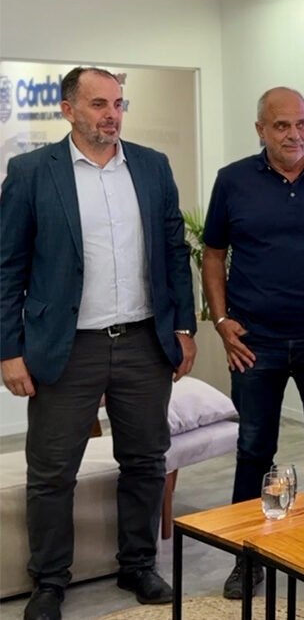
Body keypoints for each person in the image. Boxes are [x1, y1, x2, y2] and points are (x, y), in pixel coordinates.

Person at [0, 67, 197, 620]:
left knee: (145, 461)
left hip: (143, 341)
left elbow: (173, 252)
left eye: (117, 103)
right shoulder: (32, 172)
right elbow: (7, 267)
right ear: (68, 110)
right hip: (67, 348)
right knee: (52, 472)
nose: (112, 114)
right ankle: (49, 581)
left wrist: (184, 328)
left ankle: (138, 565)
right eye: (98, 104)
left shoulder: (152, 167)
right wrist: (8, 350)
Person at [202, 86, 304, 599]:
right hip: (255, 343)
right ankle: (248, 556)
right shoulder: (232, 181)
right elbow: (213, 254)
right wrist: (221, 320)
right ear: (261, 130)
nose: (294, 135)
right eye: (281, 126)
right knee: (254, 449)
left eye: (302, 124)